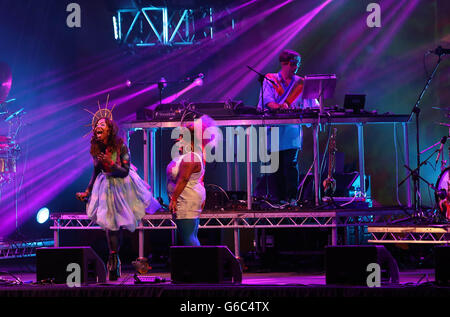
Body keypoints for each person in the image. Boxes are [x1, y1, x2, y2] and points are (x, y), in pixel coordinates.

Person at [76, 114, 160, 281]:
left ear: (110, 129)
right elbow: (96, 172)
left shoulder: (121, 147)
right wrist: (87, 191)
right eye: (97, 124)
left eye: (102, 124)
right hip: (106, 185)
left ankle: (118, 259)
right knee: (111, 224)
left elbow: (125, 171)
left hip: (123, 185)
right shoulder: (96, 148)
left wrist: (111, 163)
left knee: (118, 223)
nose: (98, 126)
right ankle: (113, 258)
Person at [257, 49, 318, 203]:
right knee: (275, 166)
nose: (295, 68)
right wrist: (278, 107)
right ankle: (277, 199)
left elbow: (313, 104)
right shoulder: (270, 80)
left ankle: (292, 198)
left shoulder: (300, 83)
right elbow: (267, 101)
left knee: (290, 164)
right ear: (284, 64)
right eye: (293, 64)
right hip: (274, 129)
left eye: (297, 64)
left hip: (291, 130)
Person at [166, 116, 219, 246]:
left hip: (186, 200)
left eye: (181, 137)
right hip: (186, 198)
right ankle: (195, 264)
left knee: (188, 237)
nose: (178, 140)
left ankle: (196, 265)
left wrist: (174, 198)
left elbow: (183, 179)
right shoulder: (190, 155)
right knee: (189, 236)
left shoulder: (191, 157)